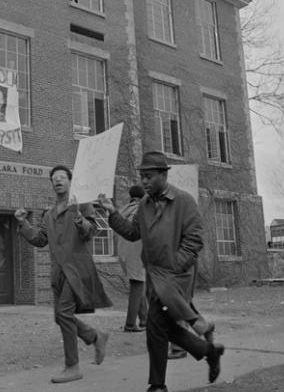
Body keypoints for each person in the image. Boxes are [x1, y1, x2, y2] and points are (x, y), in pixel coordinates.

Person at [97, 151, 225, 391]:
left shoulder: (184, 201)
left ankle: (158, 385)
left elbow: (194, 240)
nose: (144, 181)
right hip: (155, 278)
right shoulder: (144, 205)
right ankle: (208, 351)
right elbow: (133, 233)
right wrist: (111, 212)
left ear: (163, 175)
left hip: (176, 277)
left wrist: (175, 267)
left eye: (149, 176)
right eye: (142, 176)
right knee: (158, 328)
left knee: (156, 327)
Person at [14, 165, 112, 384]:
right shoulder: (49, 214)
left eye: (62, 177)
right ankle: (96, 337)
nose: (57, 181)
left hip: (77, 269)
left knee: (65, 314)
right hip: (58, 272)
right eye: (54, 178)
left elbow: (90, 232)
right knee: (60, 316)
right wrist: (23, 223)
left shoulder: (81, 203)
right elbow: (40, 239)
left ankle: (72, 366)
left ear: (70, 181)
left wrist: (77, 215)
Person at [116, 184, 148, 332]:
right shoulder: (143, 208)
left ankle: (144, 320)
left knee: (138, 284)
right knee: (137, 284)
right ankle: (130, 324)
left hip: (122, 253)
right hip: (137, 250)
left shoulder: (123, 209)